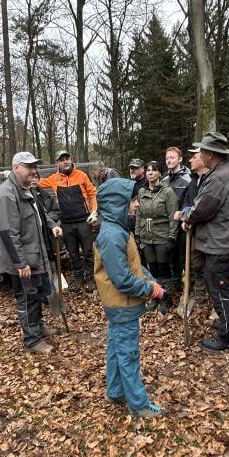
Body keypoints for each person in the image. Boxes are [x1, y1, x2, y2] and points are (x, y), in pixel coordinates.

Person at [94, 178, 165, 419]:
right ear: (118, 203)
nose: (136, 205)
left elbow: (132, 267)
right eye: (132, 201)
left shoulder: (119, 229)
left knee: (116, 348)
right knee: (128, 354)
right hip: (122, 305)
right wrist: (150, 290)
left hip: (121, 306)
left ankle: (115, 391)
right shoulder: (112, 235)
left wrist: (149, 278)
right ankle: (139, 404)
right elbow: (123, 280)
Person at [0, 152, 64, 355]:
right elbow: (8, 233)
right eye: (29, 166)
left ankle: (38, 327)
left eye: (35, 166)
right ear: (16, 167)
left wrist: (52, 226)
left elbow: (39, 214)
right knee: (26, 298)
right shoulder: (7, 195)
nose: (34, 170)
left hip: (35, 254)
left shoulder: (28, 189)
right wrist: (20, 263)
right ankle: (31, 340)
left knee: (37, 294)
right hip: (23, 261)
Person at [181, 131, 229, 351]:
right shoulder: (227, 170)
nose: (200, 154)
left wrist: (186, 216)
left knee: (218, 286)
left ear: (210, 154)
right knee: (222, 284)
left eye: (203, 151)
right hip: (224, 239)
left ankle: (226, 335)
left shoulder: (218, 177)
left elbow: (203, 208)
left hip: (220, 242)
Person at [38, 150, 98, 292]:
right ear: (57, 163)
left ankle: (90, 278)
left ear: (71, 160)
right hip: (67, 223)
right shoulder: (53, 179)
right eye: (62, 159)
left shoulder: (82, 175)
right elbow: (36, 182)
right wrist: (13, 176)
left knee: (88, 251)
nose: (65, 161)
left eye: (67, 158)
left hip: (84, 220)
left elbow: (92, 193)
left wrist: (94, 211)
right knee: (72, 253)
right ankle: (78, 279)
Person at [135, 161, 178, 314]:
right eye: (148, 170)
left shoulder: (167, 192)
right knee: (152, 270)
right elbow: (139, 214)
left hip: (162, 235)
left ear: (160, 173)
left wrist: (172, 237)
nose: (150, 173)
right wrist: (138, 234)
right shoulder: (142, 192)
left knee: (164, 269)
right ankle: (155, 295)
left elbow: (173, 216)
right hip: (147, 237)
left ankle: (166, 298)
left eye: (154, 170)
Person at [176, 144, 209, 304]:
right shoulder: (193, 181)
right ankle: (200, 297)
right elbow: (186, 202)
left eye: (194, 157)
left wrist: (186, 216)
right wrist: (185, 218)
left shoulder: (211, 180)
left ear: (204, 158)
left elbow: (204, 207)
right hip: (194, 232)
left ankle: (215, 303)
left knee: (211, 268)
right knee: (196, 265)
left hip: (210, 233)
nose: (190, 160)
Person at [163, 146, 191, 291]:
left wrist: (183, 214)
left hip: (183, 224)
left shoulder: (189, 177)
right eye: (167, 158)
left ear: (180, 159)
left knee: (185, 256)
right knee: (172, 257)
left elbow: (191, 200)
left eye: (172, 157)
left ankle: (190, 288)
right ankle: (176, 286)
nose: (169, 160)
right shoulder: (165, 179)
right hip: (168, 225)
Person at [127, 158, 148, 232]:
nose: (132, 170)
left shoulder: (148, 184)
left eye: (135, 168)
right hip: (130, 222)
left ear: (142, 169)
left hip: (144, 223)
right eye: (131, 168)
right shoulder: (128, 184)